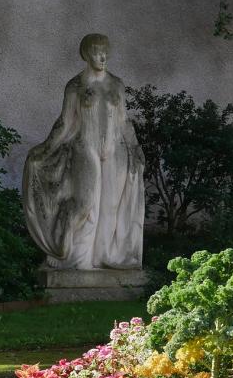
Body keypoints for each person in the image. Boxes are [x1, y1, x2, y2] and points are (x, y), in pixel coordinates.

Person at [22, 33, 145, 270]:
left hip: (115, 150)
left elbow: (124, 122)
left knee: (110, 206)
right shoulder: (76, 86)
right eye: (97, 51)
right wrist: (45, 148)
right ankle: (71, 256)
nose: (103, 56)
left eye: (106, 51)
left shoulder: (117, 84)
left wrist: (136, 148)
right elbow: (65, 123)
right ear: (86, 55)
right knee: (85, 204)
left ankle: (105, 257)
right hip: (85, 148)